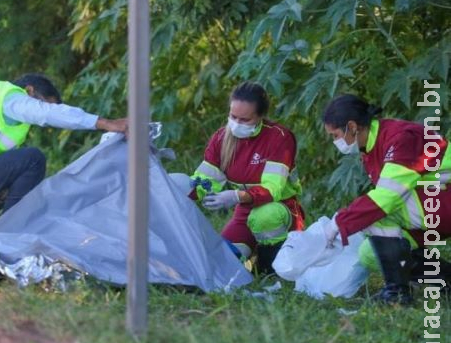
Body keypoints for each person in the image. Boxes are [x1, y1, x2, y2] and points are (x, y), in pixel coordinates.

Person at [0, 73, 127, 246]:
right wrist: (106, 123)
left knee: (12, 180)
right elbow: (45, 113)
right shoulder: (8, 96)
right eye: (45, 103)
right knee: (32, 160)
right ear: (29, 91)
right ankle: (9, 239)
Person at [322, 94, 451, 304]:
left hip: (444, 200)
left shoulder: (401, 138)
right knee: (370, 253)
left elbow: (387, 198)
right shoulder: (373, 144)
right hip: (436, 203)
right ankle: (445, 279)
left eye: (334, 135)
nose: (334, 141)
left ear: (352, 126)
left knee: (378, 215)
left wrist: (341, 221)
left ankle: (397, 296)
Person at [190, 81, 304, 274]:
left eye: (245, 120)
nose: (236, 124)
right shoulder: (220, 138)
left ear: (260, 117)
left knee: (265, 216)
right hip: (244, 213)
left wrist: (236, 196)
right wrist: (182, 193)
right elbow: (204, 181)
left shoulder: (279, 138)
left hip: (282, 210)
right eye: (233, 117)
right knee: (222, 262)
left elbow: (272, 189)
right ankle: (250, 259)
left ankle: (269, 268)